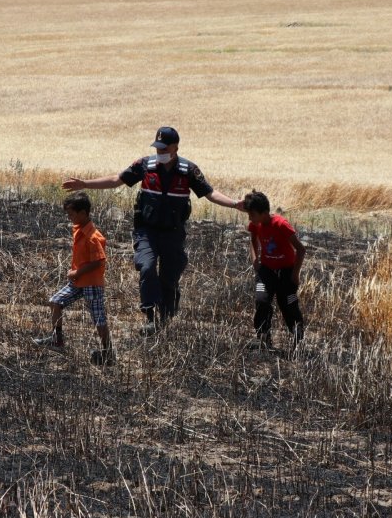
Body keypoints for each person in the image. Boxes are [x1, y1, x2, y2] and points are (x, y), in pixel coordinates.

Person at [62, 126, 244, 336]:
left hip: (173, 232)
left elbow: (210, 193)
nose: (160, 153)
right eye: (157, 148)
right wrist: (85, 184)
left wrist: (234, 204)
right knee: (147, 267)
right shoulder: (144, 165)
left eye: (164, 148)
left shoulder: (188, 170)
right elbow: (116, 180)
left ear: (175, 147)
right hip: (146, 230)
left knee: (169, 277)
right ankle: (150, 316)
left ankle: (165, 317)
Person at [32, 192, 115, 366]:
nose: (69, 218)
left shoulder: (92, 236)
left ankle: (108, 352)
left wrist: (76, 273)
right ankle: (57, 340)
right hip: (78, 282)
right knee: (56, 301)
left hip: (91, 283)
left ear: (83, 213)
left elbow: (99, 261)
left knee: (98, 318)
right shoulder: (79, 230)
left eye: (72, 214)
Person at [243, 190, 306, 352]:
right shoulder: (255, 224)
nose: (250, 218)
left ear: (264, 213)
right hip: (266, 271)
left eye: (252, 214)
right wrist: (255, 259)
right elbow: (252, 239)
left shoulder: (280, 224)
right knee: (262, 301)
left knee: (288, 305)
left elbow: (301, 249)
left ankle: (298, 339)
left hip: (286, 272)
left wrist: (295, 274)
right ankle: (264, 338)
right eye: (248, 214)